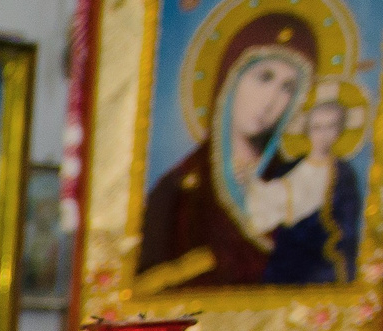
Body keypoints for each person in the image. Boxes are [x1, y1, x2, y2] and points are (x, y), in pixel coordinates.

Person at [138, 9, 318, 289]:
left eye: (287, 87)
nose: (271, 100)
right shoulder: (177, 190)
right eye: (264, 77)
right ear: (230, 79)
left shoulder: (297, 182)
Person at [253, 86, 363, 284]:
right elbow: (264, 211)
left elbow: (347, 224)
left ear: (339, 131)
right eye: (317, 127)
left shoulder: (343, 174)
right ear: (307, 130)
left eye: (330, 127)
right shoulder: (288, 170)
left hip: (323, 263)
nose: (323, 134)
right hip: (284, 261)